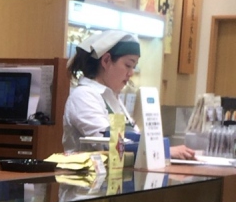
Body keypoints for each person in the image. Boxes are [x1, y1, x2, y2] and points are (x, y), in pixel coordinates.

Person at [62, 30, 196, 159]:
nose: (131, 73)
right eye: (128, 65)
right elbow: (109, 143)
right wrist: (163, 150)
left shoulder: (113, 98)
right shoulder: (83, 96)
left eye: (134, 67)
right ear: (106, 60)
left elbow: (134, 137)